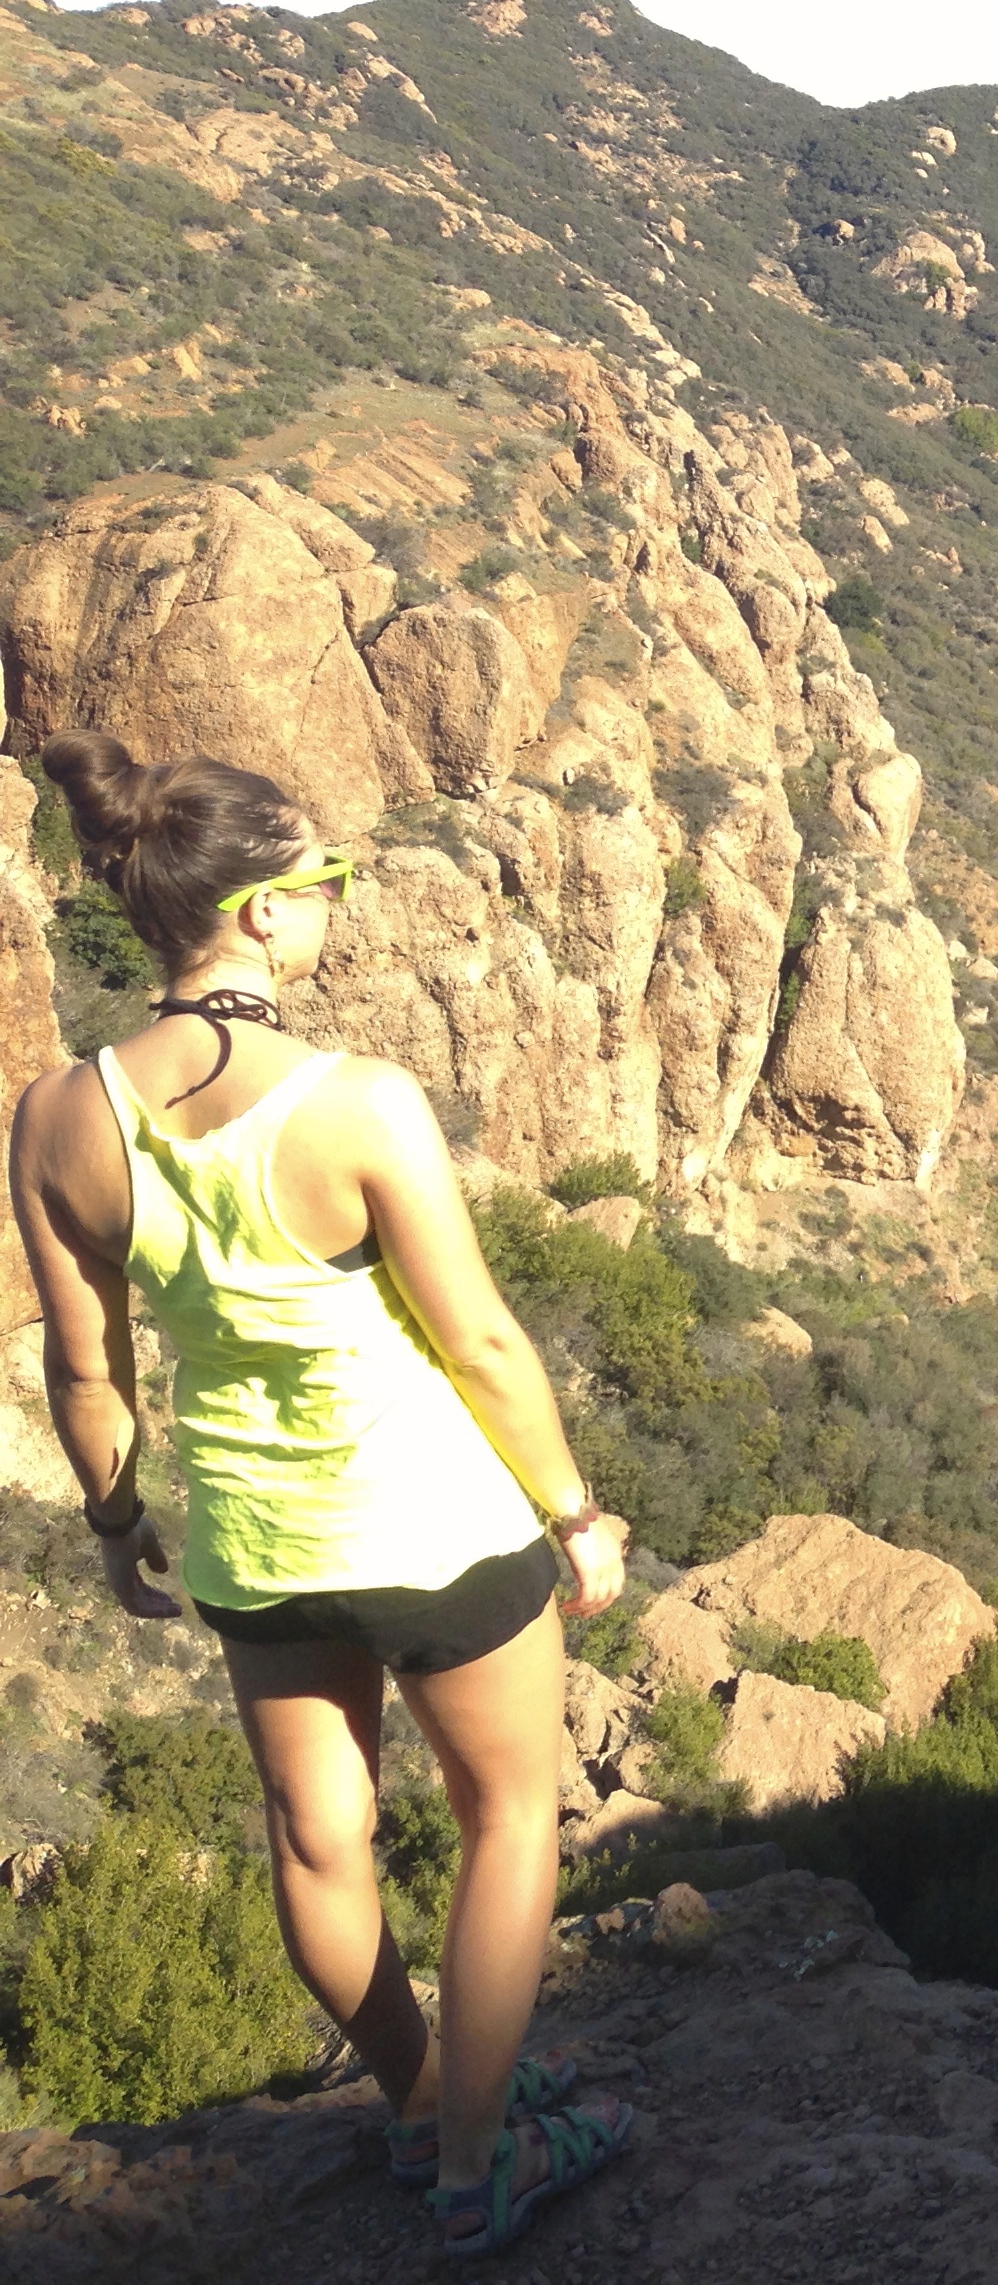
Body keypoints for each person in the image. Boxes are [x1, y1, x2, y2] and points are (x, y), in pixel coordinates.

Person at [7, 732, 642, 2256]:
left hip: (253, 1543)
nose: (340, 900)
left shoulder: (58, 1118)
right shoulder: (360, 1104)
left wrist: (114, 1527)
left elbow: (87, 1373)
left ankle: (422, 2100)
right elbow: (483, 1342)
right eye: (329, 877)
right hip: (435, 1530)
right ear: (263, 911)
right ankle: (481, 2163)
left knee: (317, 1840)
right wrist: (573, 1513)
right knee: (510, 1816)